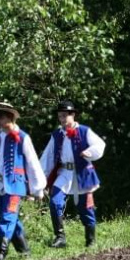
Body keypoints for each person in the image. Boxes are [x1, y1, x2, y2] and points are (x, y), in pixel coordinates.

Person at [0, 102, 47, 260]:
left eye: (2, 116)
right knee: (12, 220)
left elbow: (32, 163)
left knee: (7, 217)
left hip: (15, 186)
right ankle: (25, 252)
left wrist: (37, 188)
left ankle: (1, 253)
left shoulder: (23, 138)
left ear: (11, 117)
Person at [40, 101, 106, 248]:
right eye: (60, 116)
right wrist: (42, 178)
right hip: (64, 173)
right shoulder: (57, 134)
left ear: (73, 115)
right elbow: (48, 156)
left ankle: (90, 240)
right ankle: (60, 237)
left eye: (64, 116)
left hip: (82, 173)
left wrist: (89, 152)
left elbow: (100, 145)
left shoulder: (84, 131)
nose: (62, 119)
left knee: (86, 208)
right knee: (55, 202)